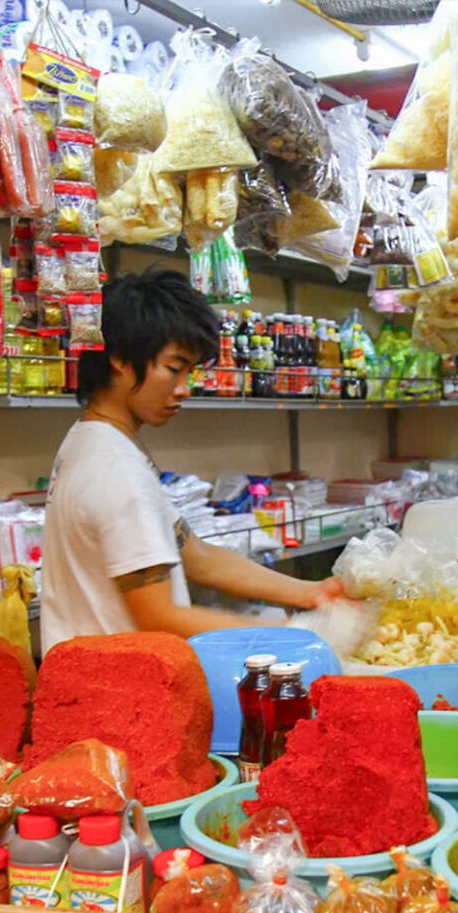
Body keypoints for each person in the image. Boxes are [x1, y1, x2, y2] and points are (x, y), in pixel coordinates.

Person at [41, 270, 343, 652]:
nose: (184, 389)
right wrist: (295, 632)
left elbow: (197, 556)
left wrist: (314, 594)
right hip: (118, 692)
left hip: (103, 679)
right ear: (119, 359)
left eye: (189, 372)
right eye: (173, 369)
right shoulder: (115, 469)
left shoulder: (93, 440)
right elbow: (160, 617)